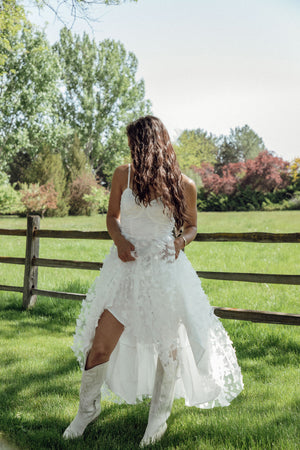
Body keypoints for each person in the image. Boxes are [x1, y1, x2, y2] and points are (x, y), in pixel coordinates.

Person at [63, 115, 243, 446]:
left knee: (168, 349)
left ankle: (157, 420)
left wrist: (180, 242)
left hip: (164, 274)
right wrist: (118, 240)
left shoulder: (184, 185)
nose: (130, 148)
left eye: (134, 143)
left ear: (148, 145)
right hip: (124, 271)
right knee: (99, 345)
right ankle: (86, 410)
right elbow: (112, 217)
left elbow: (192, 227)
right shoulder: (122, 174)